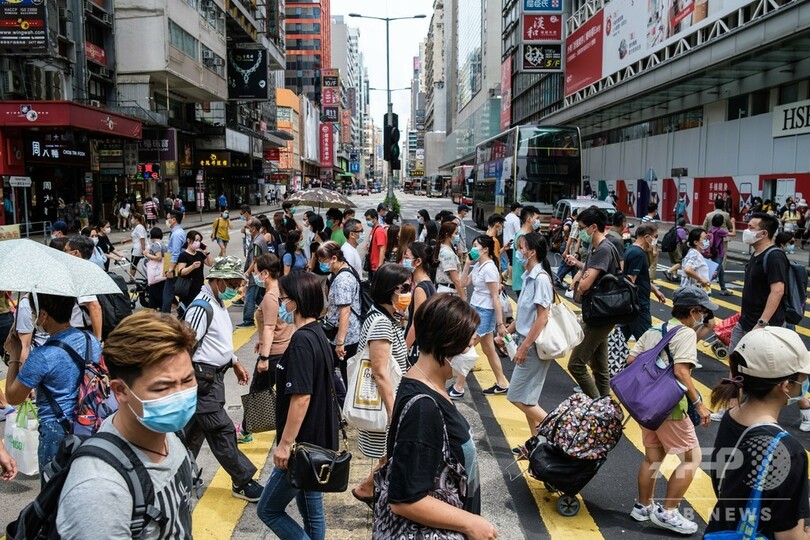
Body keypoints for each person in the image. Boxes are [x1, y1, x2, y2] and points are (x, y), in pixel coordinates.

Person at [55, 311, 198, 537]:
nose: (181, 396)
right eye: (163, 388)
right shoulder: (98, 490)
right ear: (120, 391)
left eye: (188, 380)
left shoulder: (168, 432)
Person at [379, 294, 497, 539]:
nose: (472, 353)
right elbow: (404, 499)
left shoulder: (421, 382)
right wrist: (472, 523)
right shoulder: (424, 408)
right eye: (467, 344)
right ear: (447, 343)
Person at [256, 272, 339, 538]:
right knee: (311, 509)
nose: (281, 304)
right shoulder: (317, 334)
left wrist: (285, 444)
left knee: (268, 509)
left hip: (302, 446)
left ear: (297, 301)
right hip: (316, 442)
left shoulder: (303, 340)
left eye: (284, 299)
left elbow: (301, 397)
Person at [706, 326, 810, 538]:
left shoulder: (731, 417)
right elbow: (791, 536)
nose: (806, 381)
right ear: (785, 386)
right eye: (803, 376)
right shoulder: (788, 451)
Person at [627, 287, 714, 535]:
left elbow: (631, 362)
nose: (705, 317)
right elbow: (681, 372)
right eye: (703, 311)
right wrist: (699, 403)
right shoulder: (685, 333)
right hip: (671, 407)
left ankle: (643, 507)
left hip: (647, 406)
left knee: (652, 459)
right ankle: (669, 512)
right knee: (692, 458)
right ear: (692, 311)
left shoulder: (654, 330)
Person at [183, 256, 263, 502]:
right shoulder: (201, 307)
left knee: (191, 435)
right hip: (202, 380)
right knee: (222, 430)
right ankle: (243, 480)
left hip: (213, 377)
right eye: (232, 283)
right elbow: (185, 345)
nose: (236, 289)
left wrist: (234, 361)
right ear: (217, 280)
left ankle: (176, 476)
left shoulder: (217, 303)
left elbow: (218, 343)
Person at [4, 293, 102, 479]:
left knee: (52, 495)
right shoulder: (91, 341)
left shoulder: (42, 356)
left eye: (33, 312)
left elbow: (13, 397)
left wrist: (15, 355)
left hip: (57, 431)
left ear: (43, 315)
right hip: (91, 423)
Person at [350, 264, 412, 505]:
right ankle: (369, 490)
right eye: (404, 288)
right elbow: (380, 373)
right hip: (385, 403)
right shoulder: (381, 323)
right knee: (391, 453)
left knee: (390, 454)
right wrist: (394, 412)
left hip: (388, 402)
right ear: (390, 290)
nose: (408, 292)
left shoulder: (385, 317)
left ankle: (370, 490)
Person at [501, 233, 554, 445]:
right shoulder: (528, 276)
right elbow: (525, 314)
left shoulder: (540, 279)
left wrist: (523, 347)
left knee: (516, 396)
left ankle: (555, 432)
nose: (518, 252)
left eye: (521, 248)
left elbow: (542, 317)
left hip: (532, 346)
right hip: (525, 340)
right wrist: (508, 330)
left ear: (531, 252)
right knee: (528, 399)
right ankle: (536, 444)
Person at [237, 254, 293, 444]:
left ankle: (246, 430)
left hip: (274, 353)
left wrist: (264, 357)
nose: (254, 275)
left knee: (258, 391)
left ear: (265, 273)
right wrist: (261, 340)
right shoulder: (282, 290)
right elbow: (277, 323)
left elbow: (270, 327)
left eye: (255, 271)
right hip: (284, 348)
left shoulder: (270, 296)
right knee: (280, 394)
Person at [566, 206, 620, 399]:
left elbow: (585, 286)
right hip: (600, 313)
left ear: (593, 227)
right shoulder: (598, 248)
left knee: (576, 364)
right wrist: (583, 271)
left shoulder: (603, 250)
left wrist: (582, 280)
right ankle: (606, 408)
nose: (581, 231)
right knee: (599, 367)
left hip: (600, 315)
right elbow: (589, 274)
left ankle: (597, 406)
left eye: (582, 227)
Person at [449, 235, 509, 399]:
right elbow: (461, 284)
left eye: (476, 245)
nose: (473, 248)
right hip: (475, 309)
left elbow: (495, 297)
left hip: (485, 311)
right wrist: (467, 263)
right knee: (489, 349)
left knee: (467, 347)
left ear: (485, 249)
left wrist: (500, 323)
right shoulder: (478, 266)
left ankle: (458, 387)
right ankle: (502, 383)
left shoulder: (490, 268)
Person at [318, 241, 362, 389]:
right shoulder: (346, 270)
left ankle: (344, 405)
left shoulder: (342, 280)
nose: (321, 264)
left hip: (345, 336)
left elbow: (345, 311)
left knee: (344, 374)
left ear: (334, 258)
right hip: (349, 333)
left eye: (323, 260)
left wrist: (340, 342)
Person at [623, 223, 668, 340]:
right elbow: (631, 280)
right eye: (655, 236)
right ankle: (653, 359)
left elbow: (641, 277)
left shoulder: (632, 250)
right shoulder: (637, 254)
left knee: (620, 340)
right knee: (647, 341)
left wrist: (654, 290)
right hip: (638, 304)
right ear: (647, 237)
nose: (656, 240)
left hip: (632, 304)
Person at [64, 235, 103, 340]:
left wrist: (97, 340)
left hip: (83, 330)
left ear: (75, 253)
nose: (63, 254)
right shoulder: (91, 269)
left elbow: (94, 306)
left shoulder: (81, 274)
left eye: (65, 250)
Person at [402, 242, 436, 364]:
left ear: (418, 262)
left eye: (407, 257)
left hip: (416, 347)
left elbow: (416, 324)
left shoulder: (420, 289)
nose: (404, 260)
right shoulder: (429, 284)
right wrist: (407, 316)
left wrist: (403, 349)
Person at [237, 218, 268, 328]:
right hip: (260, 274)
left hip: (256, 274)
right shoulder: (260, 239)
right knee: (258, 297)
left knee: (249, 297)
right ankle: (271, 313)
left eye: (248, 227)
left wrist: (248, 273)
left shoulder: (256, 242)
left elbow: (255, 260)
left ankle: (248, 320)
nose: (247, 229)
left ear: (254, 229)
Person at [174, 230, 214, 313]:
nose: (198, 243)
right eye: (196, 240)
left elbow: (210, 263)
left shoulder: (199, 254)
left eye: (199, 241)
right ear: (189, 240)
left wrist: (207, 252)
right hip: (188, 289)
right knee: (188, 312)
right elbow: (181, 272)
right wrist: (192, 267)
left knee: (199, 311)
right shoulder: (183, 255)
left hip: (199, 287)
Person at [512, 206, 542, 298]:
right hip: (524, 282)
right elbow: (524, 262)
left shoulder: (522, 234)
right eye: (536, 218)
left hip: (523, 281)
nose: (538, 221)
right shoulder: (523, 237)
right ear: (529, 219)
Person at [433, 221, 466, 301]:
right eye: (456, 233)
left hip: (445, 291)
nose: (457, 236)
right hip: (450, 293)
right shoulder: (448, 253)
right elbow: (455, 279)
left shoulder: (443, 248)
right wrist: (463, 299)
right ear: (447, 235)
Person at [162, 210, 187, 314]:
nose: (166, 221)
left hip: (174, 265)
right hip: (173, 263)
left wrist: (170, 269)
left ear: (173, 220)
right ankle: (181, 312)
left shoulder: (177, 234)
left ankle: (165, 317)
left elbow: (175, 253)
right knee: (173, 292)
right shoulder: (177, 232)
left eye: (168, 218)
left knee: (167, 293)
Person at [706, 214, 732, 295]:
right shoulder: (720, 231)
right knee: (715, 273)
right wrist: (733, 223)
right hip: (719, 253)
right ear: (721, 222)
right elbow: (733, 234)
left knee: (721, 272)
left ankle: (723, 289)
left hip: (713, 252)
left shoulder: (711, 229)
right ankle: (702, 285)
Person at [144, 227, 167, 311]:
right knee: (162, 296)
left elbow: (158, 257)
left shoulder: (155, 245)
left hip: (155, 276)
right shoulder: (163, 245)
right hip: (162, 274)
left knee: (153, 300)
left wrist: (147, 254)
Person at [502, 202, 523, 286]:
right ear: (517, 209)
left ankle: (505, 275)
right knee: (512, 262)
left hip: (506, 242)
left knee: (511, 260)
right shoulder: (515, 219)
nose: (520, 211)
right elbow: (518, 232)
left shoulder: (507, 217)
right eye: (519, 210)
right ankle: (510, 279)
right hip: (512, 243)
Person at [365, 208, 387, 283]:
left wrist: (380, 265)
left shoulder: (379, 231)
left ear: (375, 218)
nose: (367, 222)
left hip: (376, 266)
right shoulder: (373, 229)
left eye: (368, 219)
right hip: (372, 264)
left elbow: (382, 248)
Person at [129, 213, 148, 279]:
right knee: (135, 263)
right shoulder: (138, 227)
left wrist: (143, 249)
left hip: (138, 249)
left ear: (136, 219)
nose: (131, 219)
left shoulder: (139, 227)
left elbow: (142, 238)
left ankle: (131, 279)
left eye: (132, 218)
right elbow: (135, 237)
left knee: (133, 263)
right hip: (137, 247)